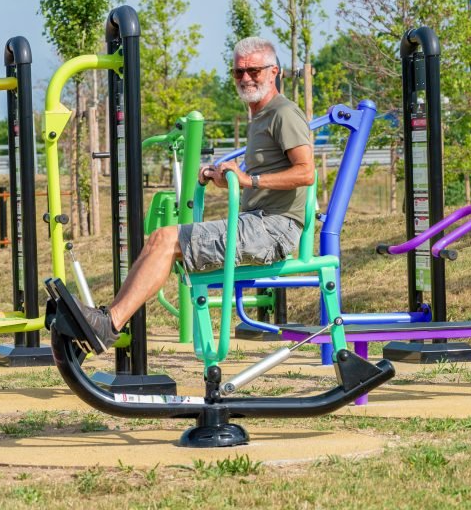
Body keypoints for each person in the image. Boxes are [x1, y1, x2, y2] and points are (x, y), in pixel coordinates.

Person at [76, 36, 314, 353]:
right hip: (256, 223)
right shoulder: (259, 116)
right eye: (238, 73)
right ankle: (108, 319)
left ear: (275, 72)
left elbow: (306, 172)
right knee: (159, 238)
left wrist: (248, 179)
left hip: (274, 230)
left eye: (254, 71)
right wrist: (222, 175)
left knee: (165, 239)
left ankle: (110, 324)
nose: (245, 79)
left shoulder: (283, 113)